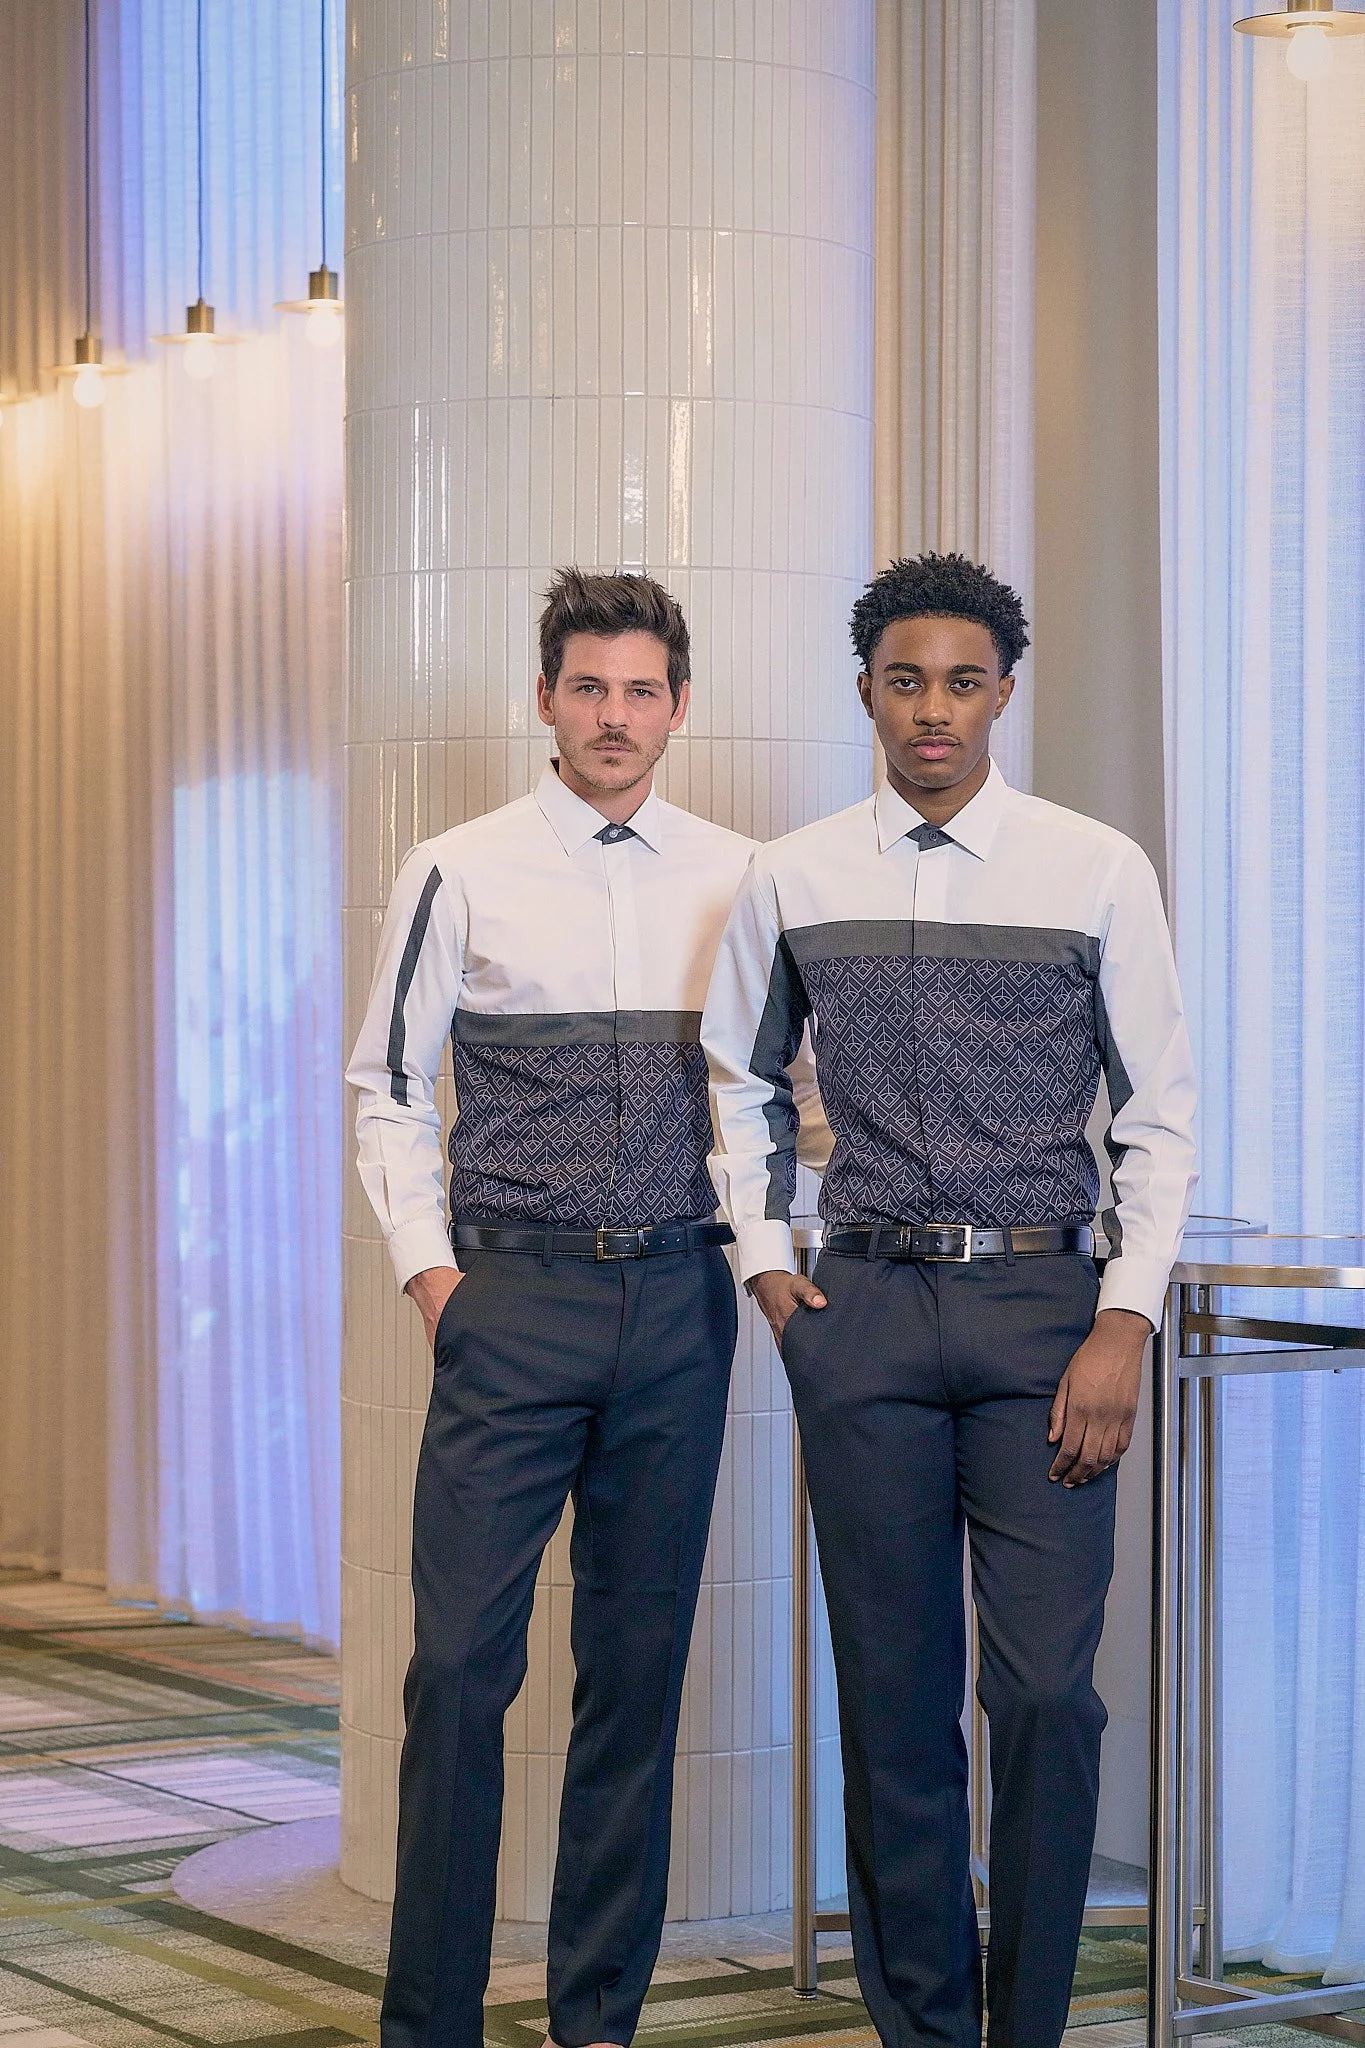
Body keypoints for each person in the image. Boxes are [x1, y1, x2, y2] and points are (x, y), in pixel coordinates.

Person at [702, 552, 1198, 2048]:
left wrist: (1126, 1317)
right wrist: (772, 1273)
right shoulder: (791, 876)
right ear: (866, 691)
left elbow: (1158, 1112)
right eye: (905, 680)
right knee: (895, 1707)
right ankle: (921, 2030)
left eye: (963, 682)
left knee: (1047, 1697)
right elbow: (737, 1080)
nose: (934, 710)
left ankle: (1025, 2026)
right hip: (862, 1319)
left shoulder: (1096, 868)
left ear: (1003, 694)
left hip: (1051, 1320)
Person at [347, 570, 759, 2048]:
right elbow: (388, 1089)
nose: (614, 717)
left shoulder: (737, 873)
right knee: (458, 1669)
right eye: (587, 688)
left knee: (633, 1681)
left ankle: (599, 2020)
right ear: (545, 702)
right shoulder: (455, 867)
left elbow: (769, 1104)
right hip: (505, 1300)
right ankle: (430, 2026)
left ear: (679, 708)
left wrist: (767, 1252)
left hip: (677, 1303)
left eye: (641, 690)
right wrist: (435, 1281)